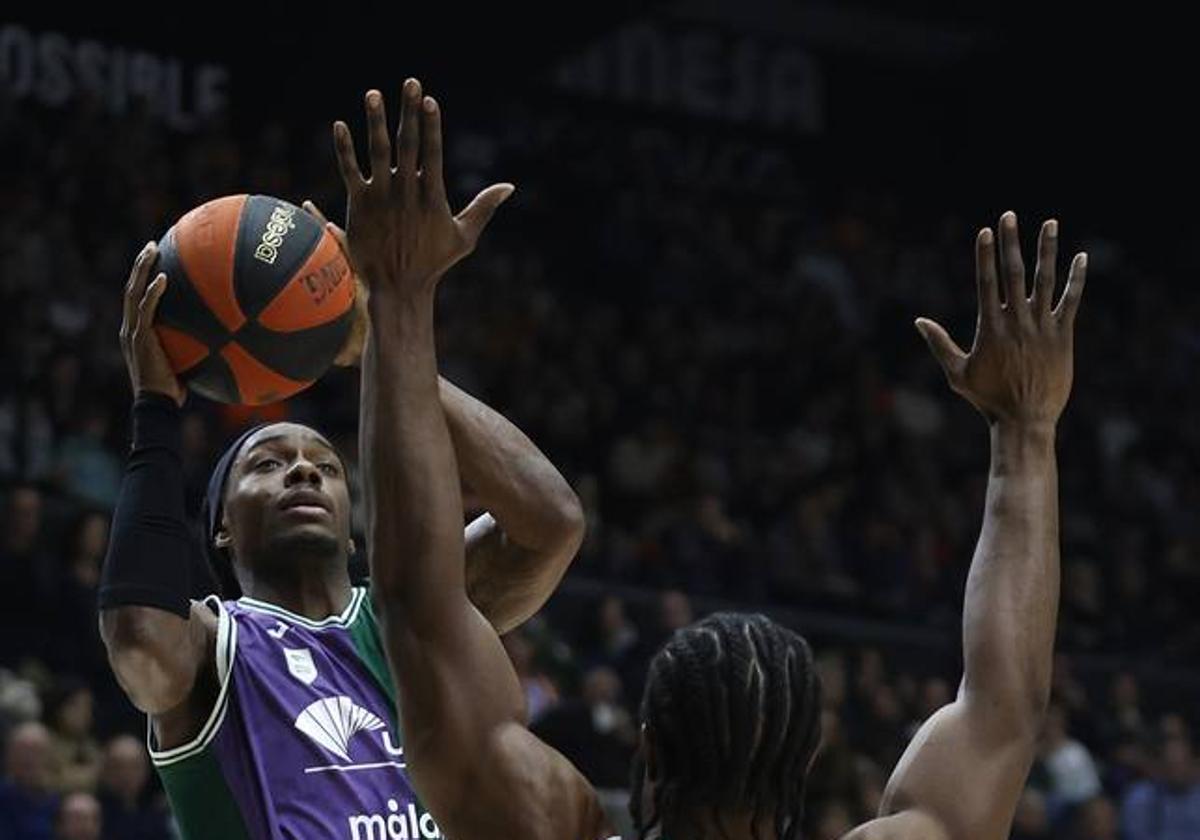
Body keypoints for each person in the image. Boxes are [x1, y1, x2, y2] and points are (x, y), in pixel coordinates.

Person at [334, 79, 1087, 840]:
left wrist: (400, 297)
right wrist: (1026, 431)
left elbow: (417, 600)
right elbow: (1004, 711)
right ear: (807, 763)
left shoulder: (545, 825)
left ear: (649, 749)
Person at [97, 133, 585, 835]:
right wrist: (156, 411)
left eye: (327, 466)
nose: (303, 469)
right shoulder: (213, 644)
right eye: (266, 464)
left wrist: (384, 348)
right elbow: (139, 638)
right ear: (223, 526)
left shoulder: (410, 623)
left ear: (353, 516)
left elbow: (551, 524)